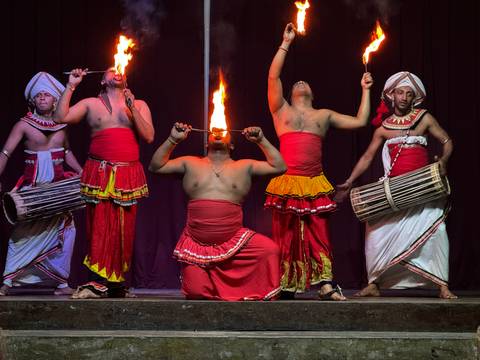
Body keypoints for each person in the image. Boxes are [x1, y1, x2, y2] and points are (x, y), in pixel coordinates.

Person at [264, 23, 373, 300]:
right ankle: (287, 284)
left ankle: (325, 284)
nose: (300, 82)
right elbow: (273, 76)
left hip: (314, 182)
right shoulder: (281, 111)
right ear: (289, 94)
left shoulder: (323, 115)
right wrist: (285, 42)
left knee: (319, 232)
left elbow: (360, 121)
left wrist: (365, 89)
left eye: (305, 83)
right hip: (288, 182)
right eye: (295, 83)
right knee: (286, 235)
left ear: (312, 93)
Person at [336, 71, 456, 299]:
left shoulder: (424, 118)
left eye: (409, 94)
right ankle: (374, 283)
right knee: (375, 233)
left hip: (422, 190)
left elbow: (447, 141)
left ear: (414, 98)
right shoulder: (383, 128)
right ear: (391, 95)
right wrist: (350, 181)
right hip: (394, 192)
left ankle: (442, 285)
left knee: (436, 233)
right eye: (400, 92)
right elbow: (366, 158)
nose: (404, 97)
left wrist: (443, 160)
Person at [149, 124, 286, 300]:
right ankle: (209, 280)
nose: (219, 131)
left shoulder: (245, 166)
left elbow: (280, 167)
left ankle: (237, 290)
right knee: (196, 292)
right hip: (197, 244)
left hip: (233, 240)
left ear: (232, 145)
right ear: (206, 143)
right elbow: (156, 167)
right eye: (214, 131)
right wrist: (173, 139)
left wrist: (261, 140)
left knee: (269, 250)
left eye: (225, 131)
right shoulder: (190, 162)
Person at [53, 68, 154, 298]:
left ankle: (117, 285)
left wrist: (131, 107)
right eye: (111, 70)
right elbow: (60, 117)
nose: (117, 72)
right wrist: (72, 85)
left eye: (121, 70)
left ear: (127, 79)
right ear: (102, 80)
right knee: (98, 226)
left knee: (123, 229)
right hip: (99, 173)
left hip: (128, 174)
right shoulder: (91, 103)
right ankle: (97, 282)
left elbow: (148, 136)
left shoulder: (139, 104)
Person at [0, 72, 82, 296]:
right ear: (33, 101)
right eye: (39, 96)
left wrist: (82, 171)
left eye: (47, 95)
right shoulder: (23, 125)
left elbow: (67, 153)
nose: (43, 98)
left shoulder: (62, 126)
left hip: (58, 189)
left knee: (67, 232)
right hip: (33, 191)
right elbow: (5, 153)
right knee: (21, 237)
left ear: (55, 100)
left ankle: (61, 283)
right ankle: (8, 282)